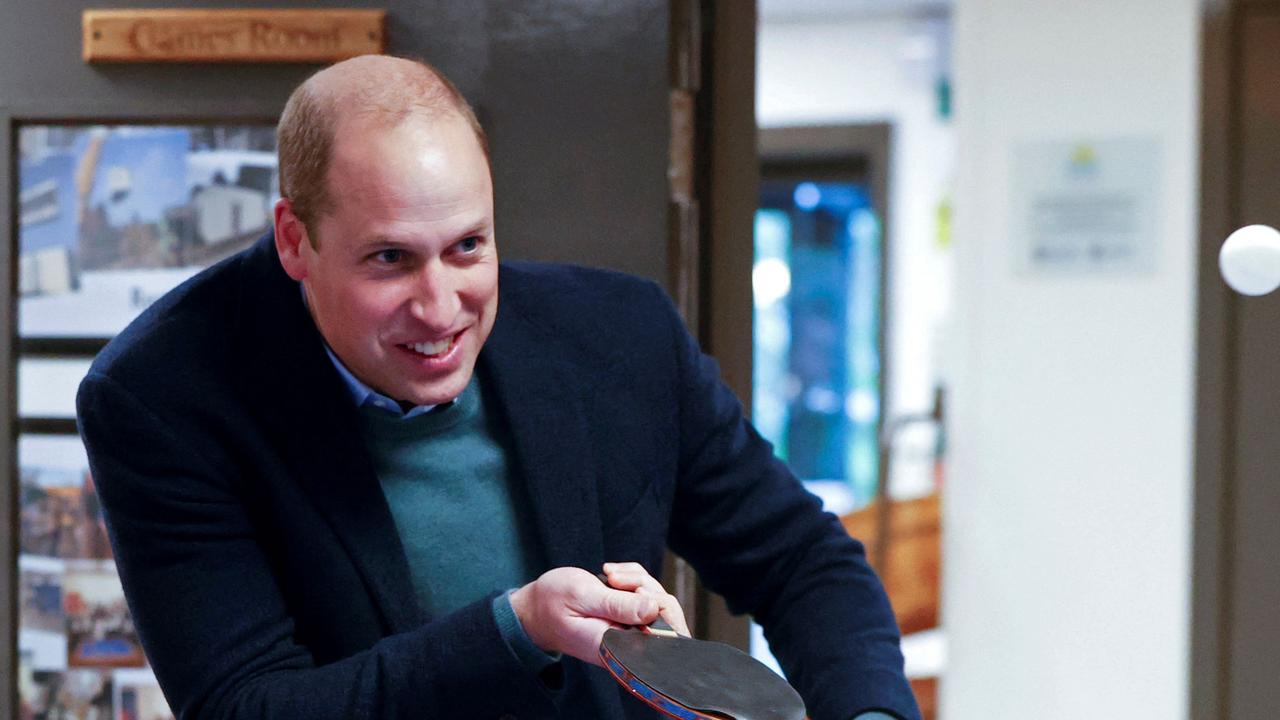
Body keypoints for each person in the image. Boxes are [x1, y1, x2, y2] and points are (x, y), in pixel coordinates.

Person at [76, 55, 919, 720]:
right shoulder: (161, 398)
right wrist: (515, 630)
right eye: (389, 259)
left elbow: (804, 563)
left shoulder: (621, 336)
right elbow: (243, 707)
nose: (441, 307)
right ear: (295, 240)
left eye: (468, 247)